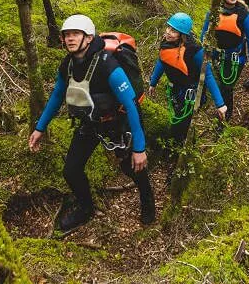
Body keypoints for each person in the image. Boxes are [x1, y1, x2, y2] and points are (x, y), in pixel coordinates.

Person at [28, 14, 155, 232]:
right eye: (67, 35)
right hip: (90, 124)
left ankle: (147, 201)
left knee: (132, 166)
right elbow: (57, 96)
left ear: (88, 38)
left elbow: (131, 104)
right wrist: (40, 127)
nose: (70, 39)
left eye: (75, 34)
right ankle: (86, 208)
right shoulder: (67, 65)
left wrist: (139, 147)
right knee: (71, 170)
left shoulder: (108, 65)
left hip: (117, 122)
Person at [148, 13, 227, 155]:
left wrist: (220, 104)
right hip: (175, 91)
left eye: (173, 31)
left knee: (184, 125)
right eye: (168, 28)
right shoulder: (166, 44)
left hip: (191, 95)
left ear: (182, 34)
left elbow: (207, 75)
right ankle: (179, 150)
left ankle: (186, 154)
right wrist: (153, 83)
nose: (168, 32)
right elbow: (161, 61)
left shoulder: (194, 51)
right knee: (178, 123)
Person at [200, 0, 249, 121]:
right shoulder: (214, 11)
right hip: (216, 55)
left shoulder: (244, 14)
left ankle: (225, 117)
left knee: (227, 87)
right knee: (217, 83)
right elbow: (205, 32)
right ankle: (215, 107)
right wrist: (202, 50)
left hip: (235, 58)